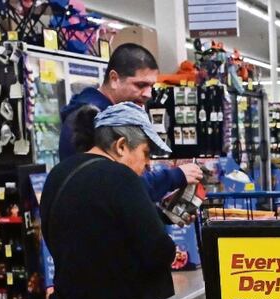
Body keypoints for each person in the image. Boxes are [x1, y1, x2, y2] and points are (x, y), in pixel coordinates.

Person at [40, 102, 178, 299]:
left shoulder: (59, 173)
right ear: (121, 145)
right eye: (146, 153)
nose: (148, 165)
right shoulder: (122, 178)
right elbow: (158, 250)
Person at [58, 43, 202, 194]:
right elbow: (125, 185)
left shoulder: (108, 115)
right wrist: (175, 176)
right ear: (114, 79)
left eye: (151, 86)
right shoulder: (97, 120)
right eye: (140, 85)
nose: (148, 94)